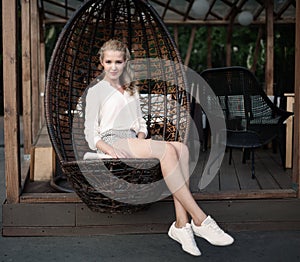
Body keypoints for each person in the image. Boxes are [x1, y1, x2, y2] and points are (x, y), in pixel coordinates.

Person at [84, 39, 234, 256]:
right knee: (165, 150)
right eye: (109, 61)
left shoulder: (131, 90)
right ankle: (201, 220)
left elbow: (140, 124)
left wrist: (142, 138)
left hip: (132, 139)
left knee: (180, 149)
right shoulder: (96, 91)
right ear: (101, 62)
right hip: (111, 141)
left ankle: (182, 226)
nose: (114, 66)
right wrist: (108, 149)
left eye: (118, 61)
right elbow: (91, 133)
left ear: (126, 62)